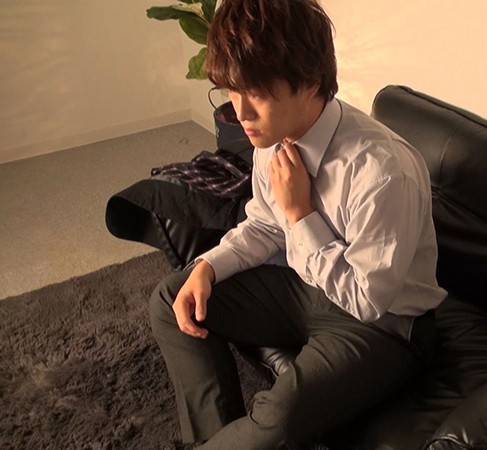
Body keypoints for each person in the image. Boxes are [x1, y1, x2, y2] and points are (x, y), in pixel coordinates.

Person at [148, 0, 447, 448]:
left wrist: (300, 214)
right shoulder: (272, 138)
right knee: (174, 297)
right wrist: (207, 267)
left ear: (309, 82)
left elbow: (366, 300)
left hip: (385, 325)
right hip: (305, 287)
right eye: (231, 90)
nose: (240, 112)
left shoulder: (382, 171)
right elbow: (265, 226)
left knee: (281, 417)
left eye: (256, 93)